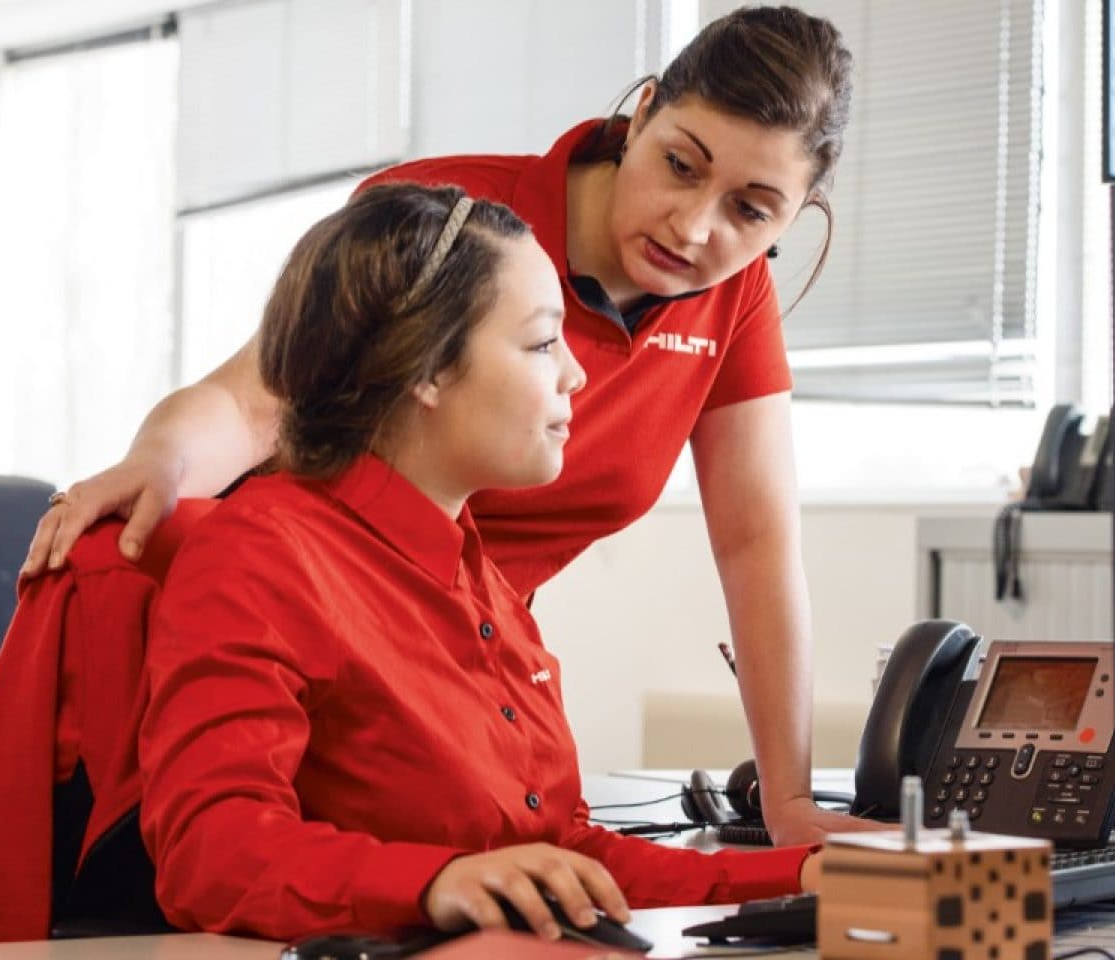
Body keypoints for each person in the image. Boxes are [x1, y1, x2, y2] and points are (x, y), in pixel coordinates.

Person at [31, 5, 867, 846]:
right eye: (680, 165)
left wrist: (789, 803)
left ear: (797, 215)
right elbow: (257, 403)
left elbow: (757, 544)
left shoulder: (734, 296)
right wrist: (160, 460)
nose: (693, 226)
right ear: (642, 111)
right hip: (304, 637)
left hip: (455, 677)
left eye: (751, 211)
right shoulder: (452, 218)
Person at [139, 182, 821, 941]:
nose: (576, 375)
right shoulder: (263, 555)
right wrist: (435, 883)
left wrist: (805, 875)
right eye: (542, 343)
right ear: (426, 369)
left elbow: (563, 855)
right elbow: (211, 854)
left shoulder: (484, 584)